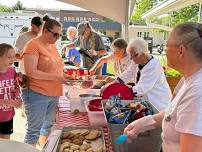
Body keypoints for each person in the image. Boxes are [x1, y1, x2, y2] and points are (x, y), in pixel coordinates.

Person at [124, 22, 202, 152]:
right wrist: (142, 124)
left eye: (167, 45)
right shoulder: (187, 80)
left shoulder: (197, 92)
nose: (164, 50)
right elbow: (173, 114)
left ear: (181, 50)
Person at [21, 18, 67, 147]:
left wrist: (66, 77)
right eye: (55, 34)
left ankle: (43, 149)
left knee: (47, 127)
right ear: (45, 31)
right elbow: (31, 72)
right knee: (33, 132)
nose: (57, 38)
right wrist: (56, 77)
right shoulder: (32, 45)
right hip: (37, 93)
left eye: (60, 35)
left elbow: (57, 68)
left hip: (53, 93)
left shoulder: (52, 46)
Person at [112, 38, 172, 111]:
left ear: (143, 53)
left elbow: (141, 89)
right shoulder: (137, 60)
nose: (131, 59)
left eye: (133, 56)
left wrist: (119, 91)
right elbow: (128, 73)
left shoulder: (153, 66)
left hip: (159, 105)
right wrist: (114, 83)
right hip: (147, 103)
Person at [0, 43, 22, 139]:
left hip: (8, 115)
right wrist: (10, 102)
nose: (12, 60)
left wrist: (17, 98)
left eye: (13, 57)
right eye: (9, 57)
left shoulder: (12, 71)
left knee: (6, 143)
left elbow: (15, 88)